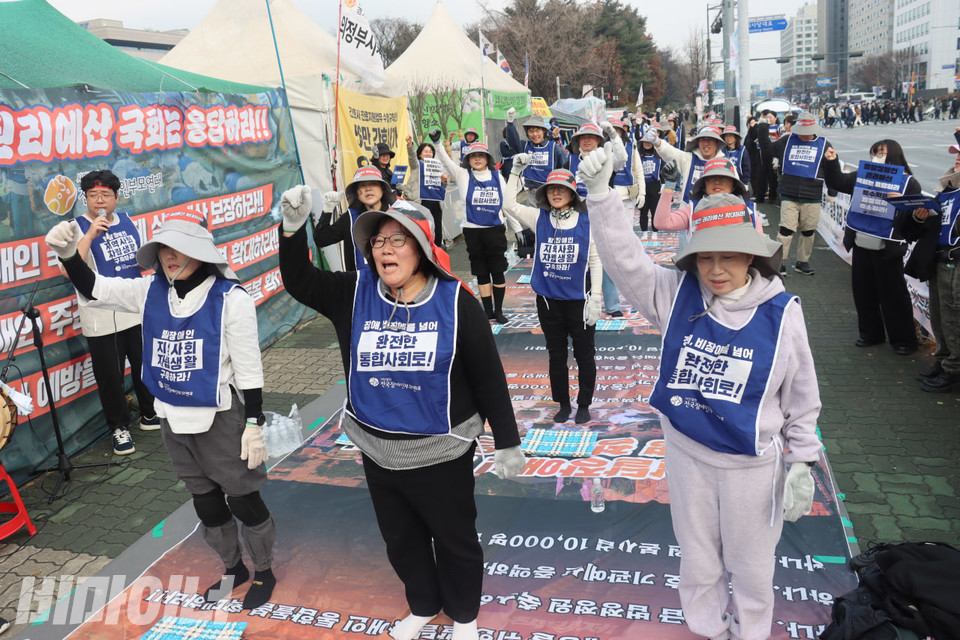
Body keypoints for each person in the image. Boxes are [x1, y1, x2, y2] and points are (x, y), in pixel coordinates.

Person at [579, 146, 821, 640]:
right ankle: (707, 626)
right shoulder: (677, 293)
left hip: (751, 467)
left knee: (752, 566)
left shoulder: (781, 312)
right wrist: (601, 197)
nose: (715, 268)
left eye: (728, 256)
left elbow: (802, 393)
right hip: (687, 454)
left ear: (752, 255)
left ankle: (751, 630)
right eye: (705, 256)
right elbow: (626, 264)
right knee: (699, 558)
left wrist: (802, 460)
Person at [277, 192, 524, 640]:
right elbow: (299, 279)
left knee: (455, 540)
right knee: (402, 540)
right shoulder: (353, 293)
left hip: (440, 449)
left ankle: (464, 615)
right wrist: (293, 230)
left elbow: (488, 376)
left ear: (423, 247)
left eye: (398, 240)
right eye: (377, 242)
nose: (385, 250)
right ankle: (424, 605)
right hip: (377, 447)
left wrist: (506, 439)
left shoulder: (455, 301)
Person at [45, 210, 277, 609]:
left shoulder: (231, 298)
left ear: (201, 252)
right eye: (164, 249)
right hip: (172, 417)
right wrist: (70, 256)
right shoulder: (150, 291)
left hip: (220, 417)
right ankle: (233, 566)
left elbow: (248, 366)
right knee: (204, 500)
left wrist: (254, 423)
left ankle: (266, 569)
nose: (170, 257)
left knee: (242, 498)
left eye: (179, 249)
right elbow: (96, 287)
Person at [503, 163, 601, 424]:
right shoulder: (539, 218)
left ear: (573, 193)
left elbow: (595, 260)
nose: (556, 193)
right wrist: (514, 173)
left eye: (562, 189)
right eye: (551, 189)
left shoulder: (586, 219)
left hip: (580, 300)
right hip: (548, 301)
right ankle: (564, 403)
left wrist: (598, 298)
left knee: (584, 354)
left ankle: (583, 403)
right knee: (556, 354)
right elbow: (509, 205)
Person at [69, 170, 157, 455]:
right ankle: (119, 427)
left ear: (116, 197)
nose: (99, 201)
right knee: (110, 375)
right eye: (92, 196)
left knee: (144, 364)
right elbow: (67, 267)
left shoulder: (128, 221)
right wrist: (91, 233)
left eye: (105, 195)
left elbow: (138, 261)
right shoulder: (76, 226)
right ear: (85, 199)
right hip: (100, 314)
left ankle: (150, 414)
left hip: (133, 307)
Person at [822, 140, 922, 355]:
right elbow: (838, 182)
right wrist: (831, 162)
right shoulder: (862, 175)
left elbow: (916, 217)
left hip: (887, 248)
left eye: (882, 153)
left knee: (893, 295)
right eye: (875, 153)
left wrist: (903, 202)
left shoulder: (909, 183)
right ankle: (870, 333)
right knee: (863, 292)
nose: (878, 156)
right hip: (860, 242)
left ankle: (903, 340)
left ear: (894, 155)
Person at [431, 133, 517, 324]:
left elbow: (508, 205)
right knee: (481, 272)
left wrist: (518, 228)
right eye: (473, 156)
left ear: (488, 158)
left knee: (497, 271)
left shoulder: (497, 176)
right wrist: (437, 143)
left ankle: (499, 310)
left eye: (481, 155)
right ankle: (488, 311)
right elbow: (446, 161)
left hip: (495, 231)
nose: (477, 159)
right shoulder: (463, 175)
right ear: (468, 159)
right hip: (473, 231)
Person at [900, 130, 960, 391]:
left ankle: (953, 370)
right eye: (956, 155)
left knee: (952, 319)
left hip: (955, 264)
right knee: (939, 317)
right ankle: (945, 360)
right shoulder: (946, 190)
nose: (956, 159)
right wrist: (919, 217)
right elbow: (915, 230)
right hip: (938, 262)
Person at [764, 112, 834, 276]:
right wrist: (761, 128)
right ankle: (780, 261)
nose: (802, 135)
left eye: (806, 131)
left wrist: (832, 191)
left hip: (812, 195)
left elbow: (831, 169)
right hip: (789, 193)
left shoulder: (824, 144)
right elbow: (768, 150)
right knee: (786, 229)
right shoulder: (787, 140)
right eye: (800, 131)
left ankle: (803, 261)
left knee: (808, 231)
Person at [315, 165, 396, 271]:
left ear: (382, 189)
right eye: (362, 185)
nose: (368, 189)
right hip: (359, 285)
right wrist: (327, 210)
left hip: (392, 284)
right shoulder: (349, 218)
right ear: (357, 193)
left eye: (373, 183)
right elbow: (321, 240)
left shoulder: (396, 214)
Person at [654, 157, 764, 236]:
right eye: (711, 178)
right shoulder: (693, 209)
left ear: (734, 185)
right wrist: (669, 185)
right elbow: (662, 223)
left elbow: (760, 248)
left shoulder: (749, 211)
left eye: (723, 178)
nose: (717, 182)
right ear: (704, 184)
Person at [647, 124, 728, 208]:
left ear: (717, 143)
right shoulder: (689, 158)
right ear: (698, 142)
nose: (706, 144)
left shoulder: (726, 163)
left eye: (710, 140)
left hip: (716, 213)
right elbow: (671, 153)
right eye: (703, 140)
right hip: (688, 211)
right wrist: (657, 142)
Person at [503, 112, 569, 202]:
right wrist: (510, 122)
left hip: (549, 193)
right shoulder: (526, 146)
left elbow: (565, 165)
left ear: (544, 131)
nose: (534, 134)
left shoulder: (553, 147)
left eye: (537, 131)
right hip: (532, 193)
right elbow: (513, 141)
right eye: (531, 131)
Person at [405, 136, 448, 246]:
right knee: (424, 231)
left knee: (437, 232)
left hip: (436, 202)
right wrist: (410, 145)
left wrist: (444, 181)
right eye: (426, 151)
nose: (429, 154)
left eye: (431, 152)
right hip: (422, 201)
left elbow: (442, 187)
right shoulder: (417, 165)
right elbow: (412, 158)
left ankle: (437, 255)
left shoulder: (437, 166)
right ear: (420, 154)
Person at [637, 122, 664, 233]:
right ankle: (643, 231)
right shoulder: (638, 155)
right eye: (645, 142)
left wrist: (664, 184)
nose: (647, 144)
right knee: (643, 210)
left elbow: (663, 171)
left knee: (655, 210)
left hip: (655, 186)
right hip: (642, 186)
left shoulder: (659, 155)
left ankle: (655, 231)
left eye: (649, 142)